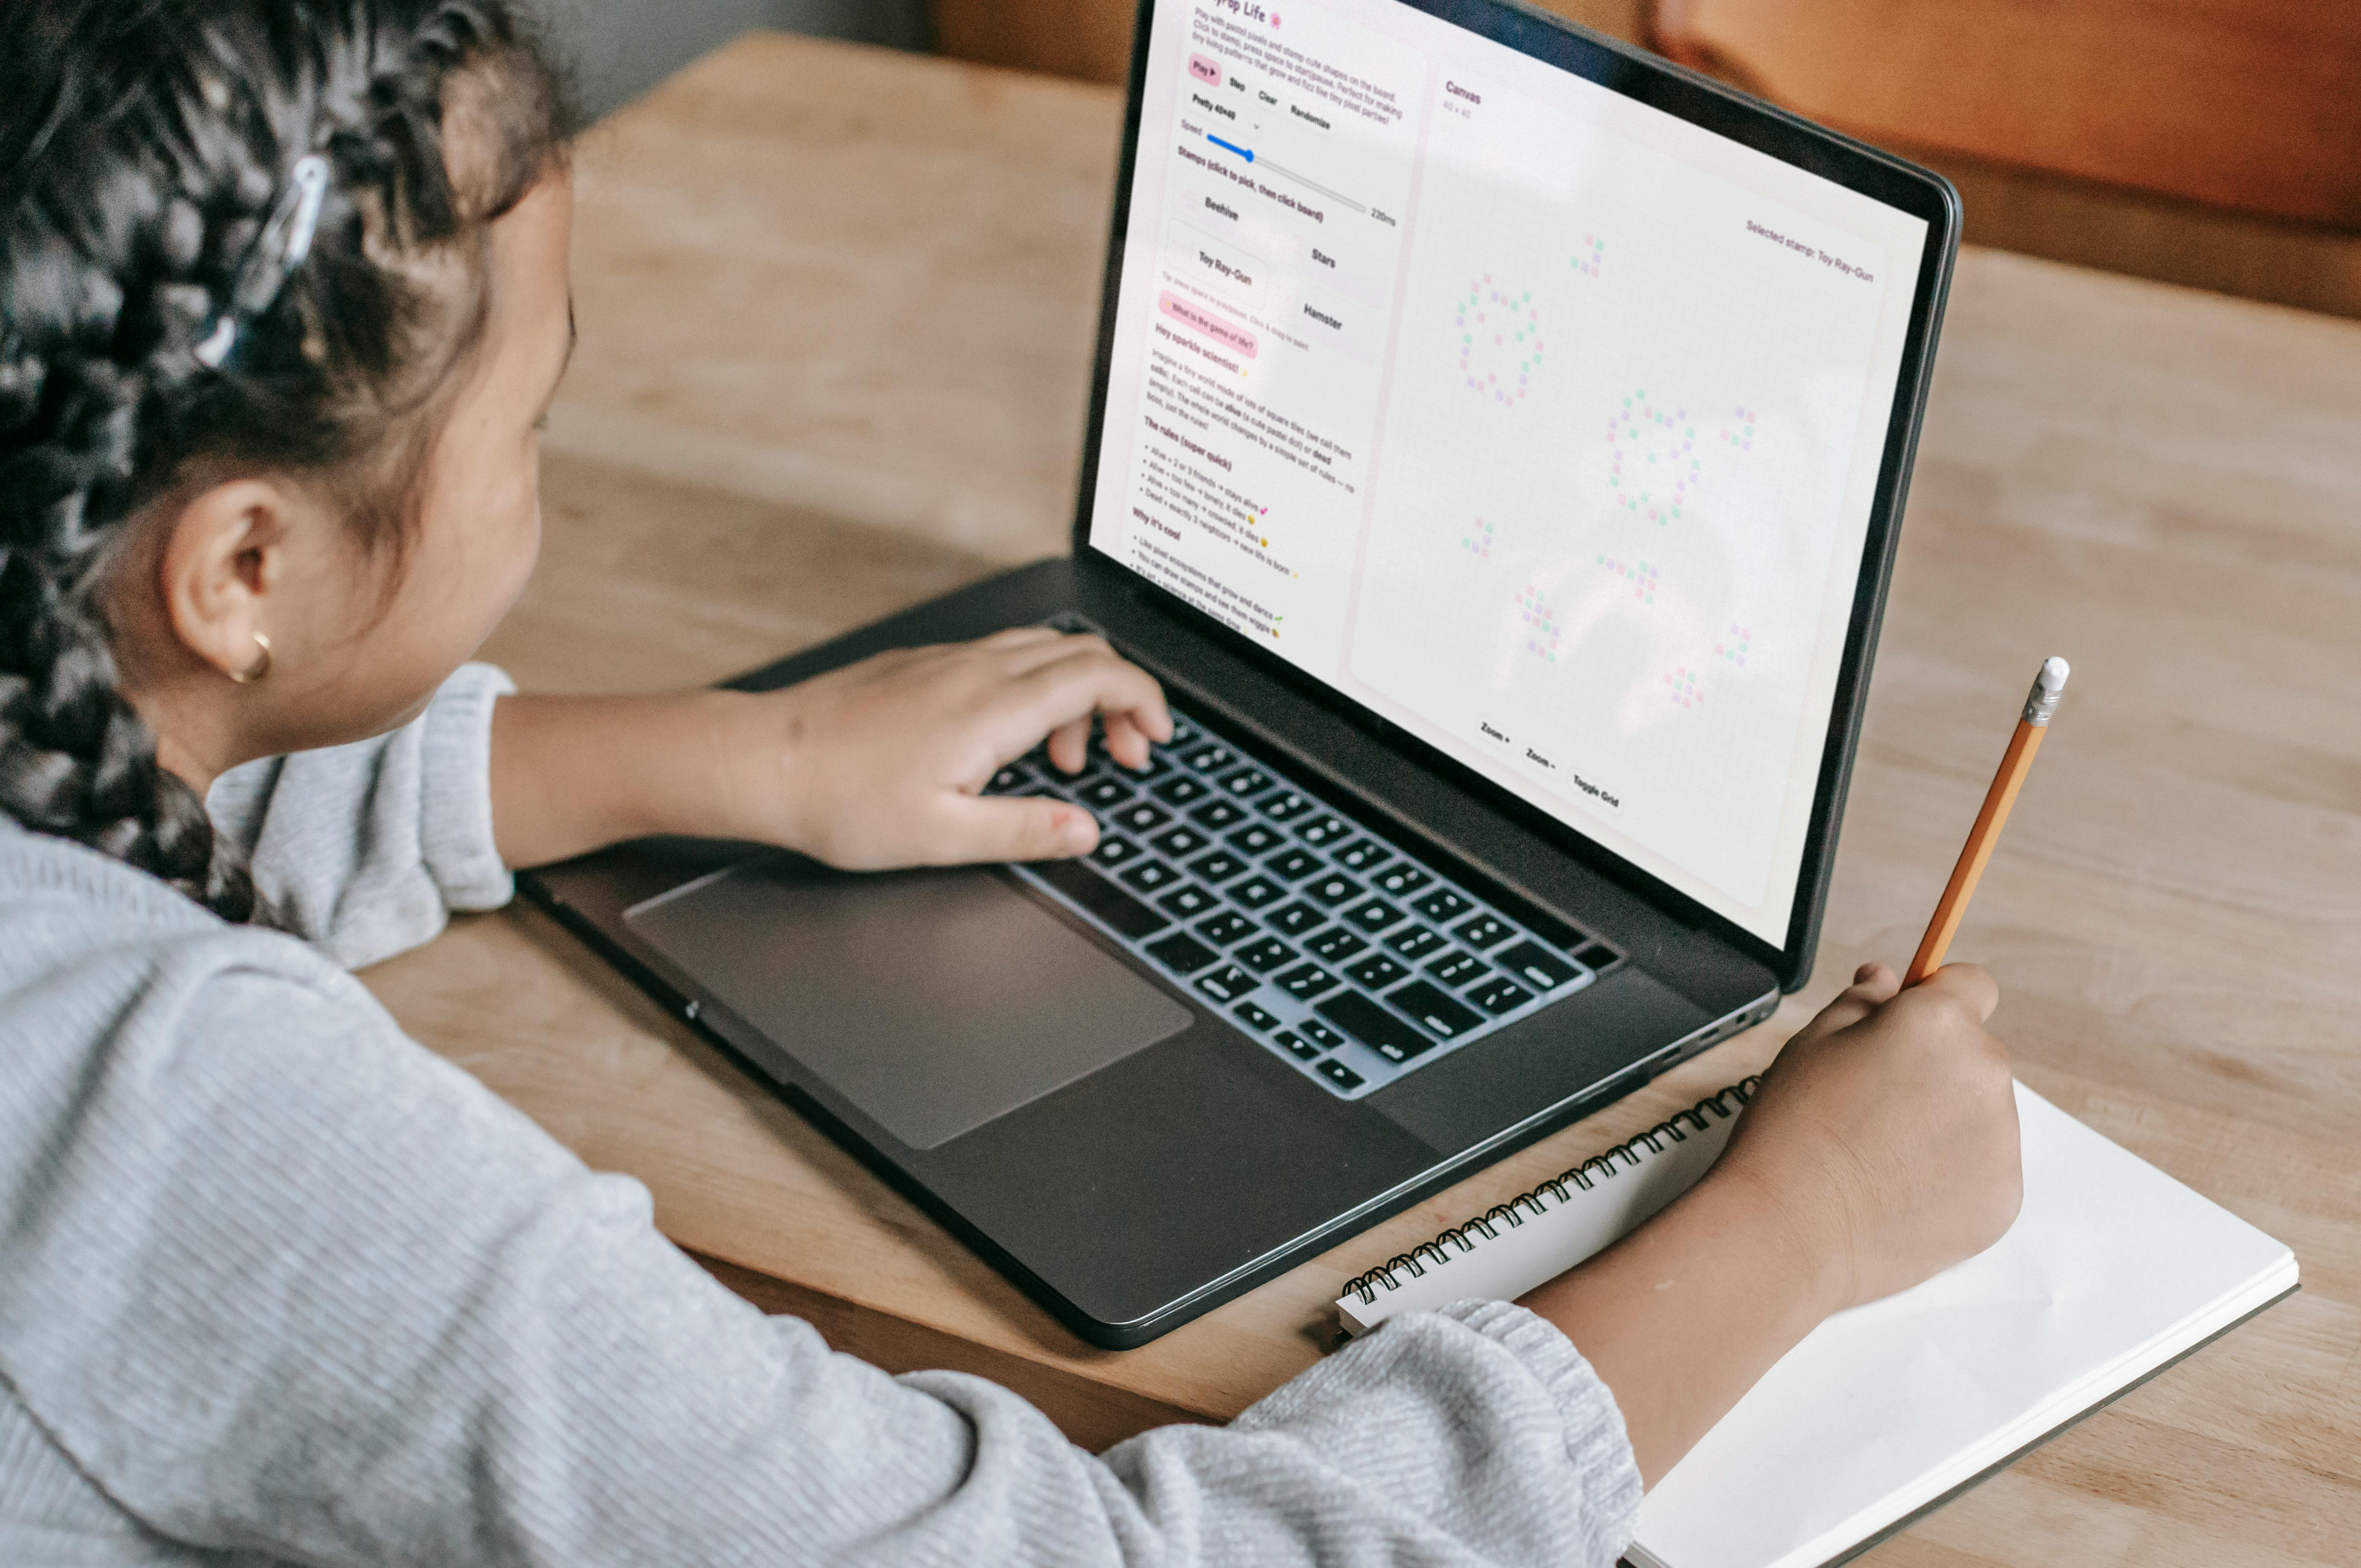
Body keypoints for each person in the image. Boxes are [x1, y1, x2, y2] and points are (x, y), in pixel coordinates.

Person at [0, 3, 2024, 1564]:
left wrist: (751, 750)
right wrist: (1802, 1218)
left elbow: (134, 779)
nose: (547, 457)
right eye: (533, 415)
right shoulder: (180, 1121)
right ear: (245, 568)